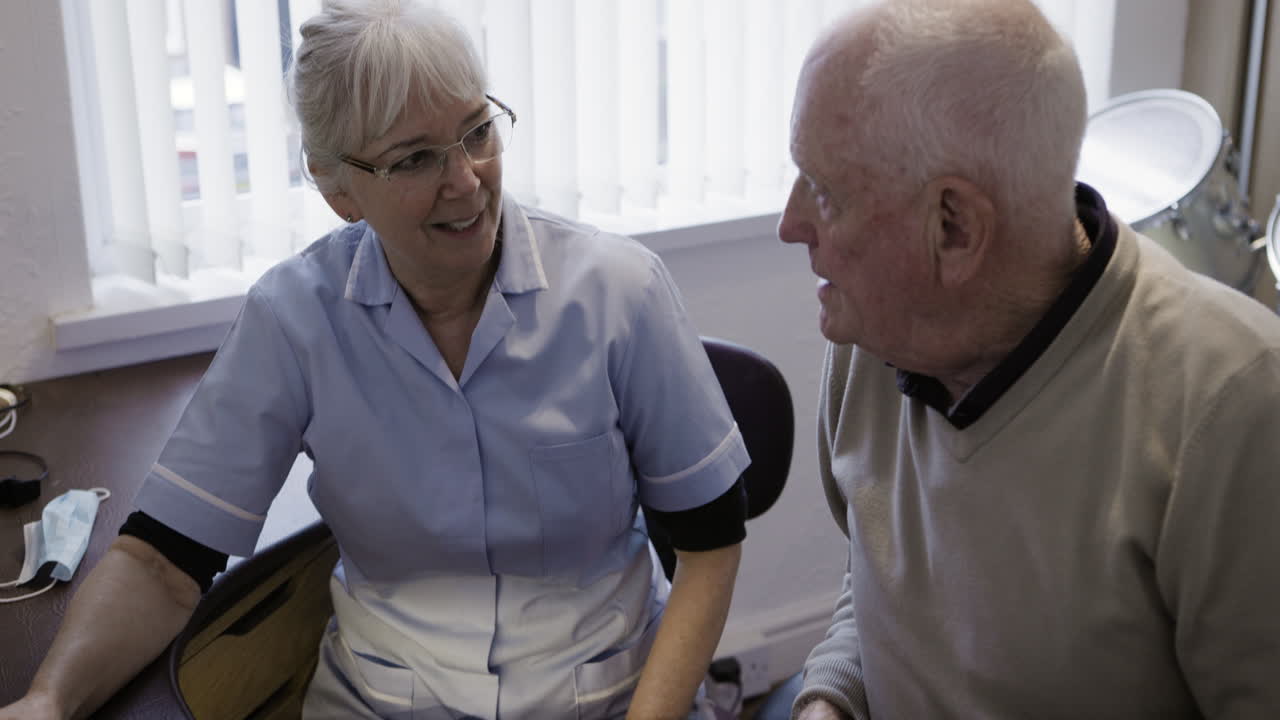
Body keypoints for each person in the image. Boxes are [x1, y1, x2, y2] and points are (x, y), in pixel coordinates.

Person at [0, 1, 749, 718]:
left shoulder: (619, 293)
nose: (465, 179)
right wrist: (50, 699)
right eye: (415, 158)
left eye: (477, 131)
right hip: (383, 703)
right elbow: (163, 562)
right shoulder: (293, 319)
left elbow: (710, 545)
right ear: (337, 190)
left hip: (610, 698)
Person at [778, 0, 1280, 718]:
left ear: (954, 227)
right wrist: (830, 697)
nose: (789, 224)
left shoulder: (1233, 407)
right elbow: (885, 583)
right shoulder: (873, 338)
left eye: (824, 192)